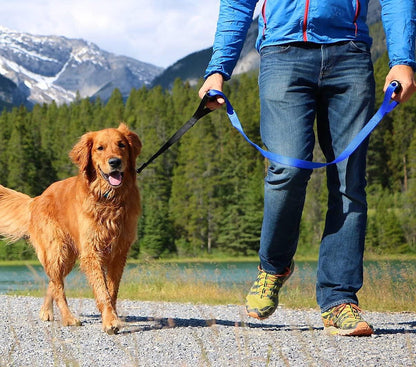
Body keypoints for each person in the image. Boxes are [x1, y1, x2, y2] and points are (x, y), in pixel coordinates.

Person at [199, 0, 416, 336]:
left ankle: (339, 300)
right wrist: (219, 68)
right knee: (286, 171)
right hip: (281, 54)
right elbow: (238, 3)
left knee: (349, 181)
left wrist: (402, 60)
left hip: (350, 52)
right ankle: (273, 267)